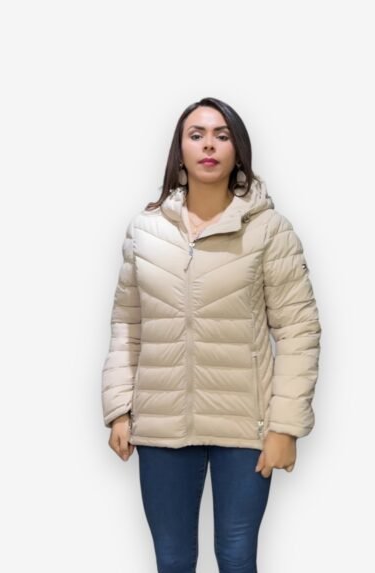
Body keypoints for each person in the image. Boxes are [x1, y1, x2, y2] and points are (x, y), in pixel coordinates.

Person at [101, 97, 322, 573]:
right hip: (162, 422)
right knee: (173, 560)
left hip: (246, 424)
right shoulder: (145, 231)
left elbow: (298, 330)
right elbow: (127, 324)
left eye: (222, 135)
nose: (208, 145)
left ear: (237, 151)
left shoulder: (270, 231)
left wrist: (285, 427)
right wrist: (119, 408)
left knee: (237, 557)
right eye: (196, 134)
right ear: (179, 150)